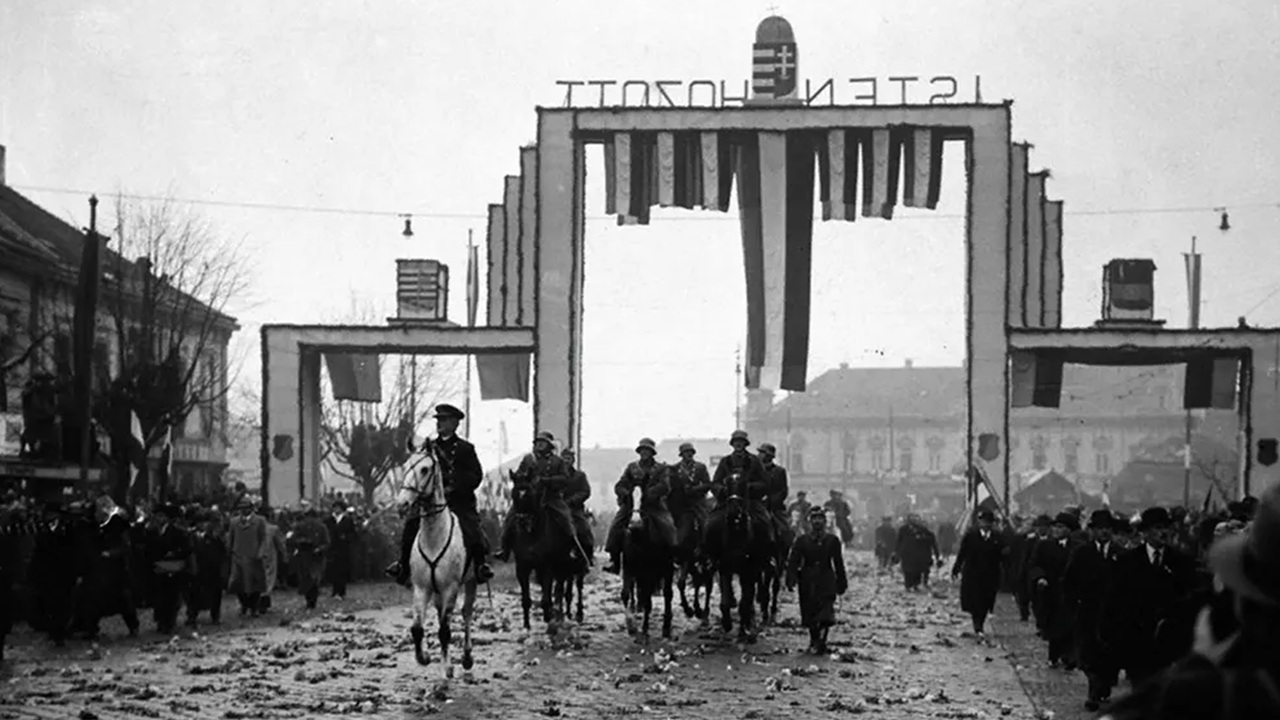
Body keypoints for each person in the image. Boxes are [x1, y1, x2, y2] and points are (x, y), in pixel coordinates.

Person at [1100, 484, 1280, 720]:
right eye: (1156, 528)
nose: (1162, 533)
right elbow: (1114, 601)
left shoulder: (1229, 692)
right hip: (1138, 640)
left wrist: (1199, 663)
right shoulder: (1126, 562)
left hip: (1168, 648)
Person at [386, 404, 493, 585]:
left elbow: (476, 475)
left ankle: (480, 566)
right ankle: (403, 565)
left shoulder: (465, 449)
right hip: (432, 502)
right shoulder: (430, 447)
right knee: (410, 526)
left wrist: (456, 487)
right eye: (438, 420)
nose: (439, 423)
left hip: (459, 502)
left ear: (454, 423)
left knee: (473, 530)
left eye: (443, 420)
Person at [1062, 509, 1123, 710]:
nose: (1104, 533)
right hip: (1088, 611)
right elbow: (1069, 582)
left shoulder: (1120, 554)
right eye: (1099, 529)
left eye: (1107, 529)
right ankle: (1094, 689)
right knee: (1087, 654)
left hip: (1113, 614)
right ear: (1093, 531)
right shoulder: (1082, 553)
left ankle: (1102, 688)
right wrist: (1073, 605)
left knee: (1108, 655)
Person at [603, 437, 676, 574]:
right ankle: (614, 559)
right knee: (616, 525)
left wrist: (649, 494)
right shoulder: (632, 467)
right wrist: (626, 493)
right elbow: (621, 484)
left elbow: (665, 486)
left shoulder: (661, 469)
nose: (644, 453)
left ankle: (671, 557)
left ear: (652, 452)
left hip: (653, 506)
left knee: (668, 525)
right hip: (632, 504)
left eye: (647, 450)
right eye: (642, 450)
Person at [495, 431, 570, 562]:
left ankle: (571, 549)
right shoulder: (528, 459)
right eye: (538, 442)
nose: (539, 445)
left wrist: (547, 480)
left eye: (543, 442)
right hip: (530, 499)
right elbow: (519, 474)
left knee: (565, 519)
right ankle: (505, 549)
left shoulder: (557, 461)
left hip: (551, 498)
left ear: (549, 445)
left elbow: (564, 479)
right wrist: (521, 479)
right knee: (510, 519)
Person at [786, 506, 847, 654]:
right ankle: (814, 639)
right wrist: (791, 577)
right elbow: (793, 560)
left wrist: (841, 581)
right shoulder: (801, 540)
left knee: (826, 612)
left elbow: (838, 562)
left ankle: (822, 641)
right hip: (807, 579)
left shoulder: (832, 540)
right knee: (810, 612)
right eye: (814, 519)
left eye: (820, 519)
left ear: (825, 522)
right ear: (809, 522)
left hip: (826, 578)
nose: (817, 522)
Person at [704, 430, 772, 559]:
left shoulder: (754, 461)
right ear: (732, 444)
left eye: (741, 442)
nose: (738, 444)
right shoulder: (726, 461)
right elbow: (715, 482)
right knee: (711, 524)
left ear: (745, 444)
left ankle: (767, 558)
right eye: (736, 442)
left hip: (750, 501)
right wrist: (723, 490)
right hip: (728, 501)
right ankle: (708, 558)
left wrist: (749, 488)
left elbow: (764, 483)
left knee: (765, 523)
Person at [952, 508, 1005, 638]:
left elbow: (1003, 556)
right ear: (979, 522)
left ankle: (981, 621)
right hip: (973, 574)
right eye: (983, 522)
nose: (986, 525)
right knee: (975, 601)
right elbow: (962, 554)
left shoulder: (997, 537)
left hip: (990, 575)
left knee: (987, 600)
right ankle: (978, 626)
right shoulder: (971, 536)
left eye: (989, 522)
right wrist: (956, 569)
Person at [147, 502, 193, 635]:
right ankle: (161, 621)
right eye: (157, 516)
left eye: (161, 516)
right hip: (158, 567)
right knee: (159, 596)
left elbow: (186, 549)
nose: (159, 519)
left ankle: (169, 621)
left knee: (172, 596)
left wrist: (175, 553)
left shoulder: (178, 532)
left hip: (174, 568)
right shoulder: (151, 532)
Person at [668, 442, 712, 555]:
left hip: (698, 503)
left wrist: (695, 489)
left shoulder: (700, 467)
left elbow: (707, 484)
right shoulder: (674, 469)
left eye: (690, 452)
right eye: (686, 452)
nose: (689, 454)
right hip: (681, 504)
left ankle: (705, 550)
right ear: (681, 454)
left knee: (705, 524)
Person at [560, 448, 595, 565]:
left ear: (573, 461)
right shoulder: (555, 476)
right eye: (564, 458)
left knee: (584, 531)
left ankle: (587, 559)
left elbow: (585, 491)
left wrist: (572, 501)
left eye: (568, 459)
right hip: (556, 508)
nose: (566, 461)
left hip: (574, 510)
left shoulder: (579, 476)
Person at [757, 443, 791, 543]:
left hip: (774, 508)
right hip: (756, 505)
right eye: (760, 452)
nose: (759, 455)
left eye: (762, 453)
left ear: (769, 456)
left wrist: (770, 501)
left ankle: (783, 554)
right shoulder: (754, 470)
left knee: (784, 531)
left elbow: (783, 491)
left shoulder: (779, 471)